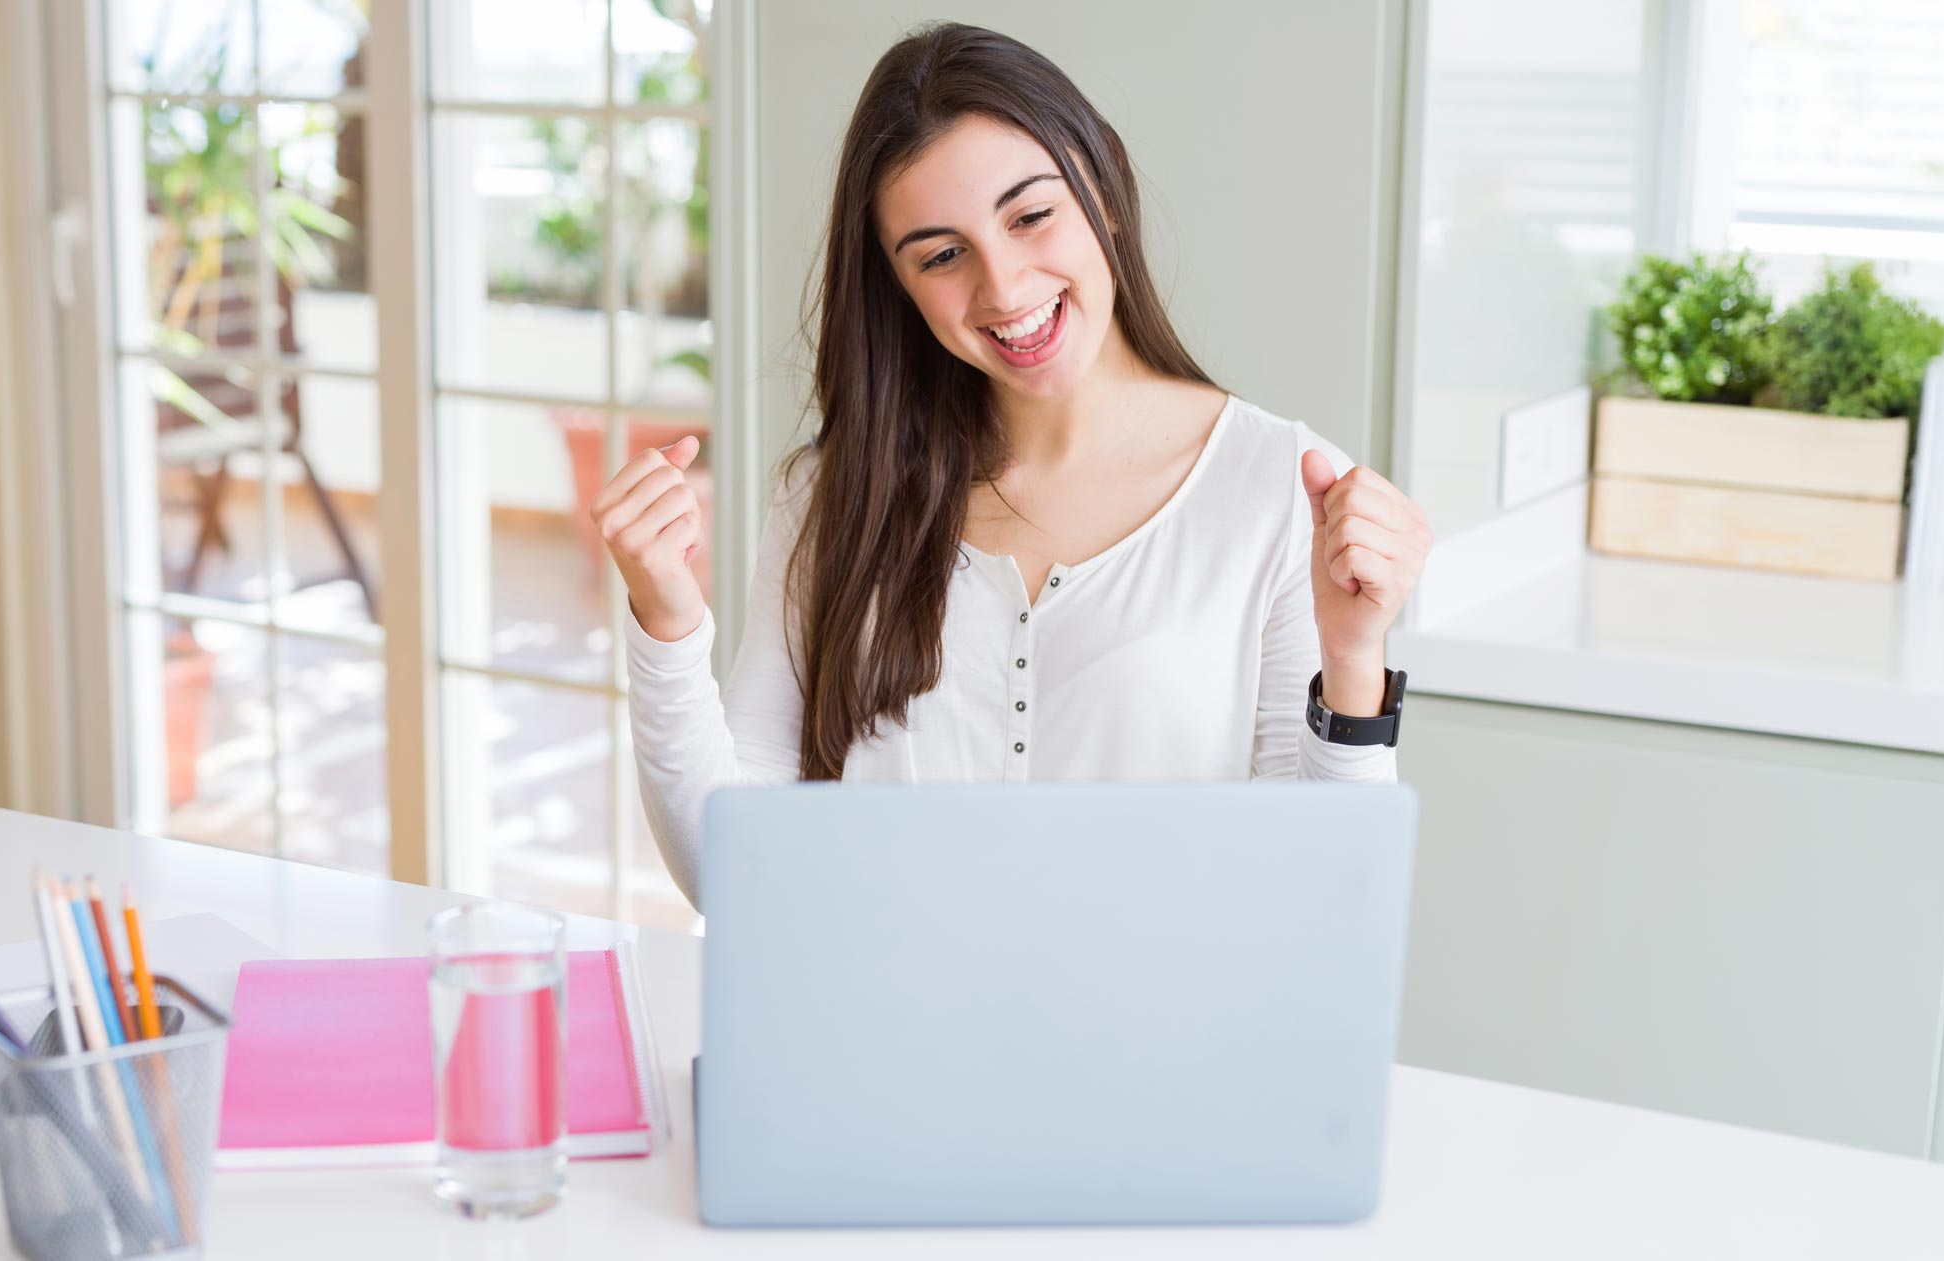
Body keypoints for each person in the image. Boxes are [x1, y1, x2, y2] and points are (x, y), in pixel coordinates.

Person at [592, 22, 1432, 907]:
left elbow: (1309, 893)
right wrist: (666, 625)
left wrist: (1353, 660)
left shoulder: (1281, 487)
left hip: (1153, 1043)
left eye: (1031, 215)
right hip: (880, 1038)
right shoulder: (833, 493)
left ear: (1101, 188)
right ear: (898, 284)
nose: (1002, 289)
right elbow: (736, 876)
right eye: (943, 255)